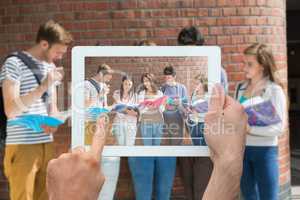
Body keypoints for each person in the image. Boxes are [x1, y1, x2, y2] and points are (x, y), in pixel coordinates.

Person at [46, 84, 248, 200]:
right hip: (138, 129)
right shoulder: (135, 95)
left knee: (162, 185)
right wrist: (228, 165)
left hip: (159, 130)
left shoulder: (169, 95)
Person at [0, 20, 72, 200]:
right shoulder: (13, 63)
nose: (60, 57)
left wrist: (54, 122)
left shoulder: (50, 67)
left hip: (46, 143)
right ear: (44, 44)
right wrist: (43, 85)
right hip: (23, 146)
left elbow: (52, 107)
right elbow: (10, 109)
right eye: (57, 52)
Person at [176, 25, 230, 199]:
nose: (188, 52)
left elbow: (221, 106)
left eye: (191, 46)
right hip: (186, 139)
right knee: (189, 189)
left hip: (207, 141)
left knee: (202, 189)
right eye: (183, 47)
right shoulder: (182, 72)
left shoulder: (217, 71)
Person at [235, 43, 287, 200]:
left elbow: (279, 128)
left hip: (265, 152)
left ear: (262, 66)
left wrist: (251, 130)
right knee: (248, 197)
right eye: (244, 63)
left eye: (249, 64)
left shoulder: (274, 90)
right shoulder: (240, 88)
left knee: (268, 197)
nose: (245, 67)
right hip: (243, 151)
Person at [128, 73, 175, 200]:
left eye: (148, 81)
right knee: (147, 149)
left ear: (152, 81)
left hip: (158, 122)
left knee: (157, 148)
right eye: (144, 81)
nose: (146, 83)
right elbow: (139, 109)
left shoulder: (159, 93)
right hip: (146, 122)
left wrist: (160, 103)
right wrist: (145, 105)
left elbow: (163, 108)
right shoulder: (141, 94)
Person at [84, 63, 117, 200]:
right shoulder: (86, 85)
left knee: (102, 160)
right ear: (101, 74)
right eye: (107, 78)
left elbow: (102, 107)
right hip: (90, 125)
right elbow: (85, 104)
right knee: (91, 159)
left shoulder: (103, 87)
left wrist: (114, 105)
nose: (108, 81)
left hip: (102, 124)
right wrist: (100, 94)